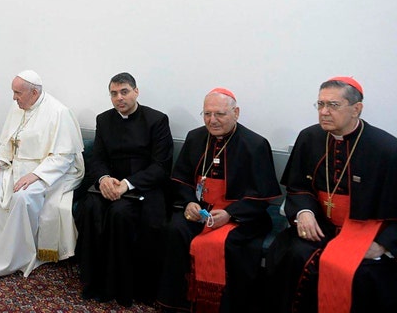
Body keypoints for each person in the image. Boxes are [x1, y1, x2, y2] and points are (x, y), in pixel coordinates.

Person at [266, 76, 397, 313]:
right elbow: (297, 186)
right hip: (319, 225)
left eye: (333, 105)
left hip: (364, 231)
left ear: (357, 109)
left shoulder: (387, 148)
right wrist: (304, 212)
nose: (324, 112)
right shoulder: (309, 137)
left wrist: (383, 245)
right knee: (294, 255)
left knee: (362, 273)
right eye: (320, 104)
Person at [156, 88, 281, 312]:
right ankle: (180, 304)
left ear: (236, 112)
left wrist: (230, 214)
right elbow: (181, 179)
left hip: (238, 216)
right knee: (175, 229)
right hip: (199, 211)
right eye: (207, 114)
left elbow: (262, 196)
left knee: (229, 244)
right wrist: (189, 204)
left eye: (220, 114)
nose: (212, 120)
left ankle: (220, 306)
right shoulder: (195, 138)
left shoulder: (255, 144)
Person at [0, 70, 84, 280]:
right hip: (16, 168)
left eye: (17, 93)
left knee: (22, 196)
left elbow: (64, 158)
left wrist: (36, 175)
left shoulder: (59, 112)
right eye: (13, 92)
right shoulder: (17, 108)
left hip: (50, 173)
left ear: (34, 92)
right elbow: (8, 142)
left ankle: (15, 257)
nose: (14, 98)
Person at [75, 72, 173, 307]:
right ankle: (95, 283)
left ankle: (124, 288)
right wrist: (104, 179)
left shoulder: (157, 120)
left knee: (120, 213)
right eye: (114, 93)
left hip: (144, 187)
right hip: (109, 186)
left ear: (136, 92)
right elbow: (97, 157)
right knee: (90, 208)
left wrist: (127, 184)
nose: (119, 98)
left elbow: (161, 166)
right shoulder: (104, 120)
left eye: (124, 92)